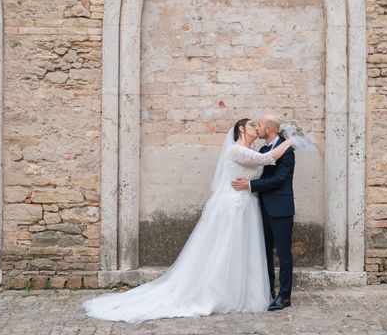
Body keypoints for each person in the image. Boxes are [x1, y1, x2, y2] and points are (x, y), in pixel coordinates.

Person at [83, 118, 296, 323]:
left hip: (249, 206)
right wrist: (289, 141)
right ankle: (218, 292)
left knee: (244, 251)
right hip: (234, 207)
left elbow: (268, 169)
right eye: (251, 124)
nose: (256, 127)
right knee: (225, 249)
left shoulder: (255, 150)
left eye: (258, 125)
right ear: (241, 130)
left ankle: (244, 290)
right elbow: (267, 160)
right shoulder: (236, 150)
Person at [231, 114, 295, 311]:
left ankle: (284, 297)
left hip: (281, 209)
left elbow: (279, 180)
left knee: (283, 254)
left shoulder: (286, 150)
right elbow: (261, 163)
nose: (256, 128)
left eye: (259, 125)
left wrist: (250, 184)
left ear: (268, 129)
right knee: (264, 252)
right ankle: (269, 291)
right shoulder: (263, 149)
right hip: (261, 208)